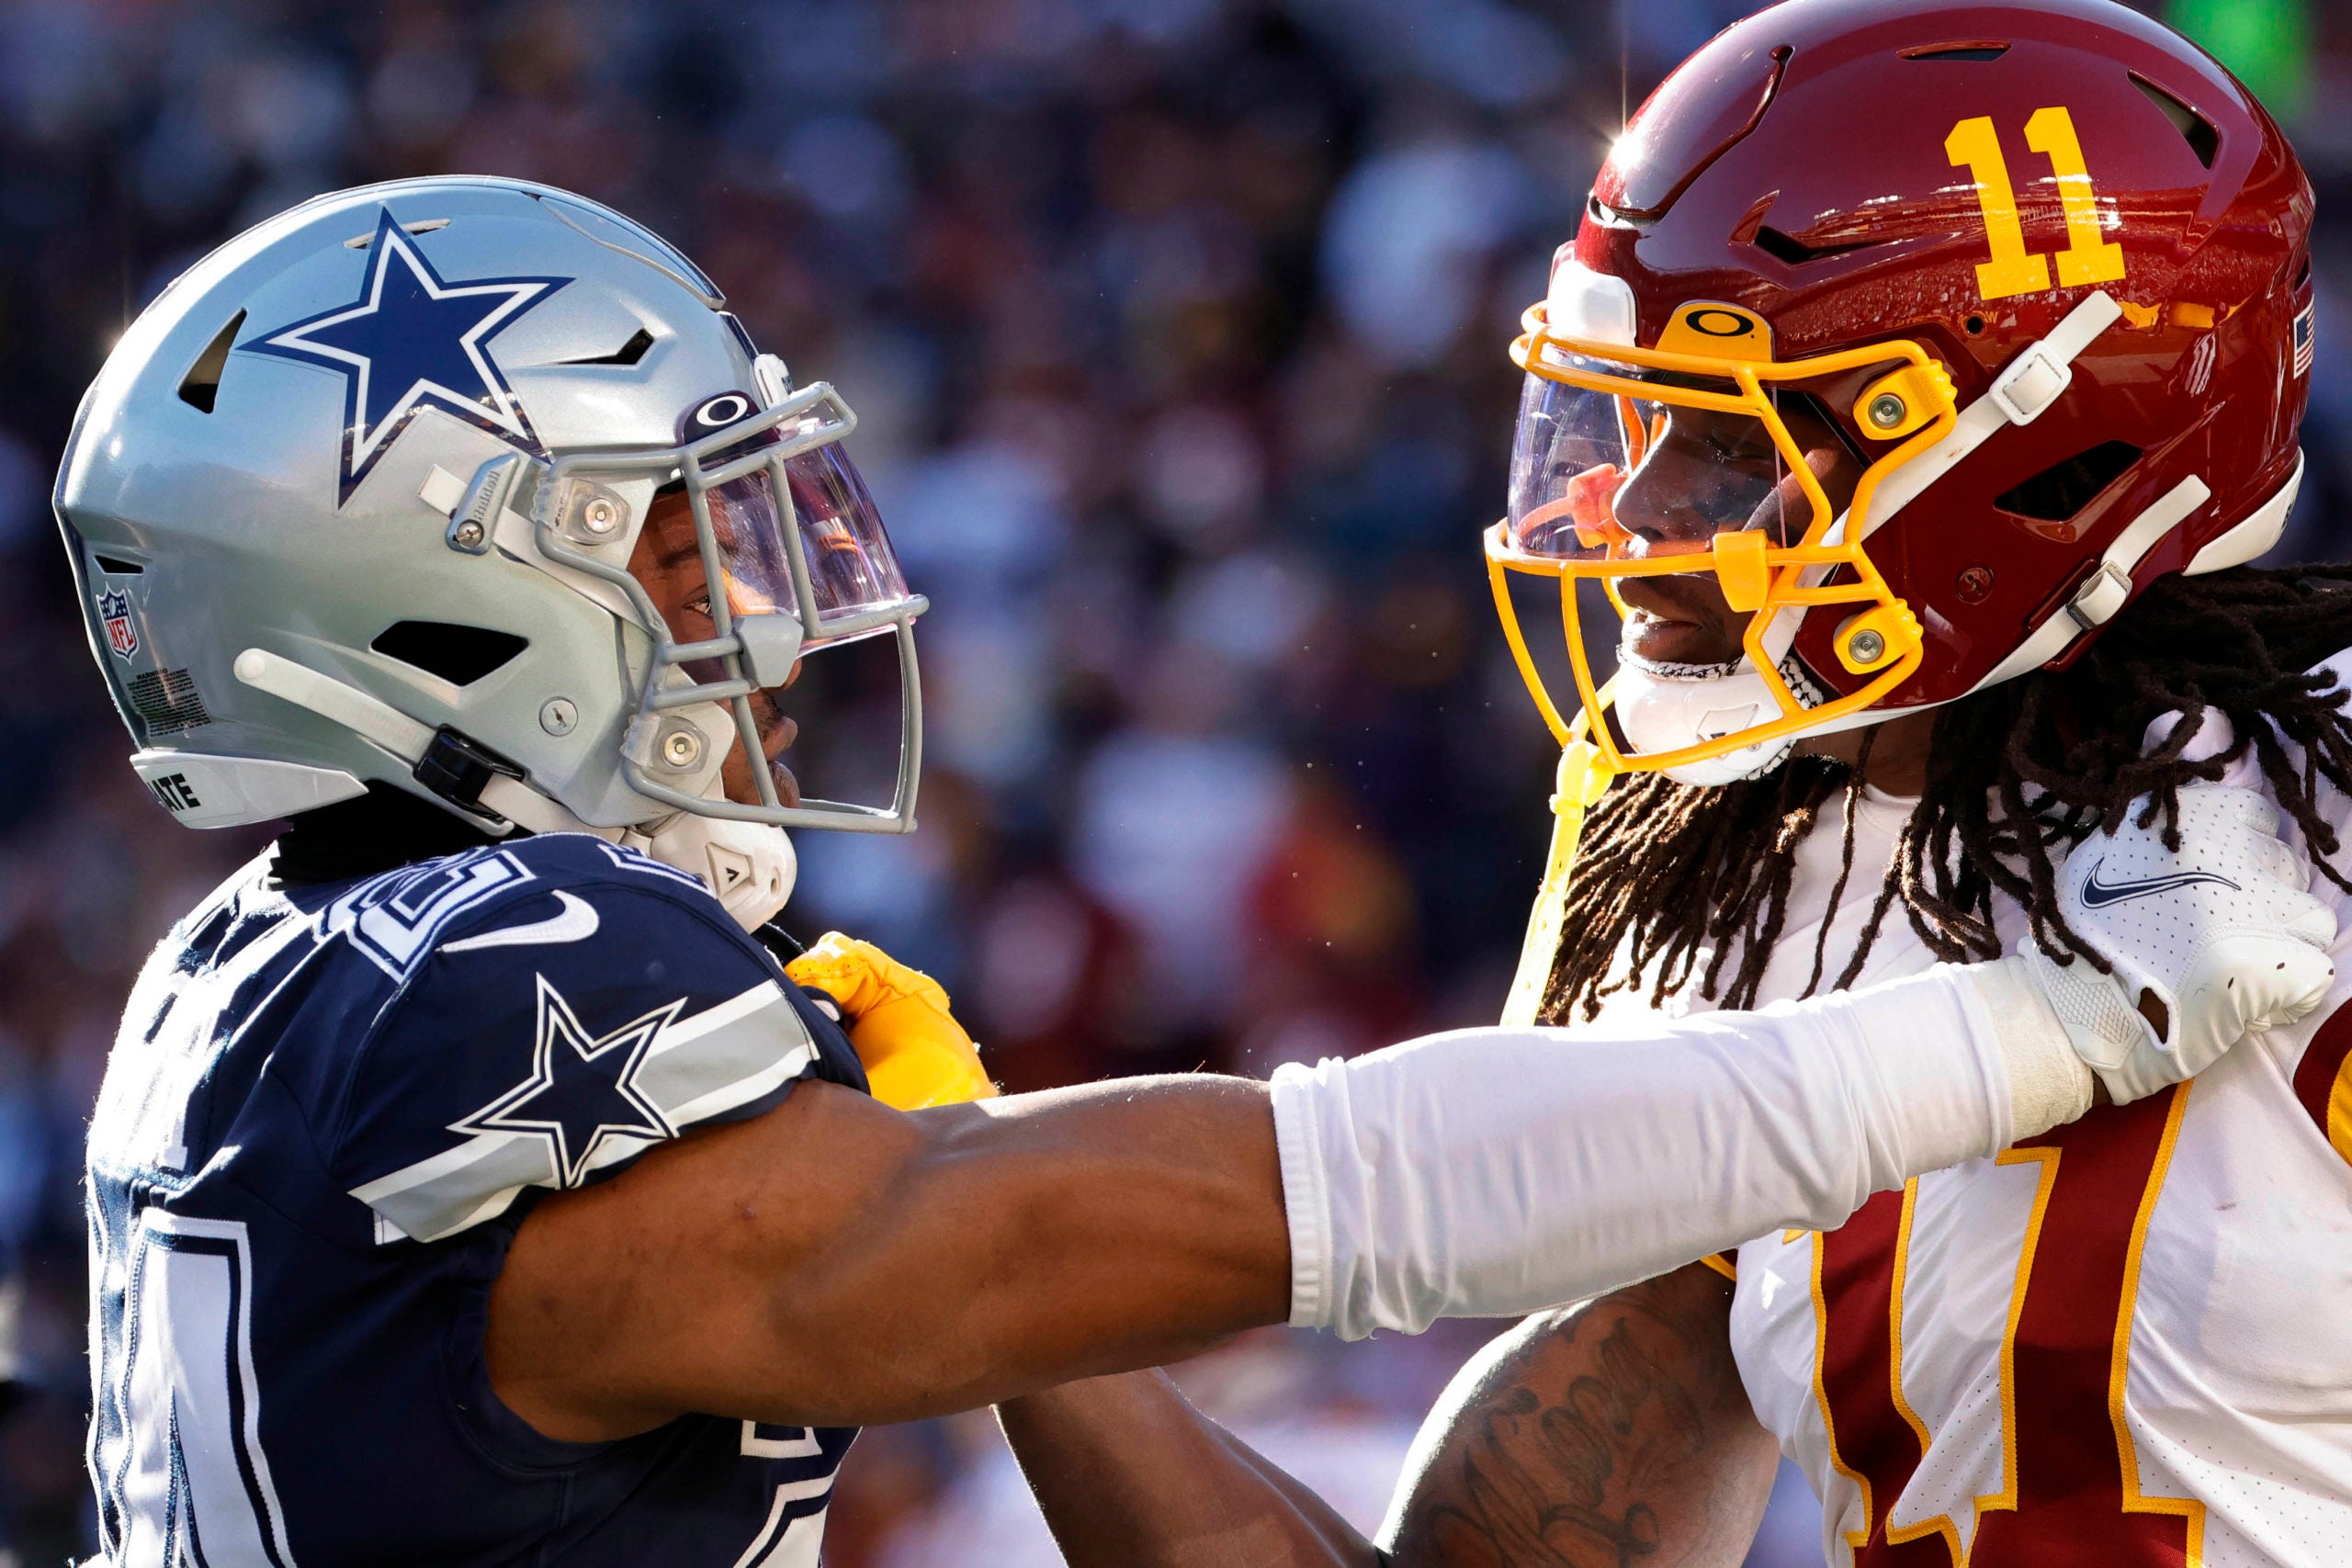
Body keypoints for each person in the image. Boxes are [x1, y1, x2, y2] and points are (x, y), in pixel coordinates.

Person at [52, 169, 2326, 1567]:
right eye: (675, 531)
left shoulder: (266, 980)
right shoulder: (484, 977)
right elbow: (1284, 1199)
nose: (757, 605)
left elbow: (958, 1277)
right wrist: (2023, 1028)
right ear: (424, 591)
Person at [967, 1, 2352, 1564]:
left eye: (1723, 446)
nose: (1631, 512)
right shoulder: (1763, 877)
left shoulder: (2327, 811)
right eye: (1642, 425)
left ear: (2039, 436)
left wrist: (986, 1219)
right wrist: (1005, 1298)